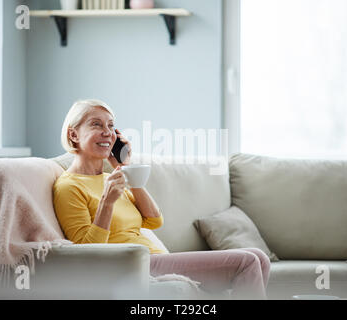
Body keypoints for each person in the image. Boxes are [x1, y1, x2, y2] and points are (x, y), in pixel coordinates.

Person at [53, 99, 271, 299]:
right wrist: (106, 203)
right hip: (130, 265)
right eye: (96, 125)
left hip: (154, 258)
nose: (108, 133)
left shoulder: (111, 177)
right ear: (73, 135)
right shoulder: (68, 186)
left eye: (111, 126)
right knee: (247, 261)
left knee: (259, 257)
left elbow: (154, 220)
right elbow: (86, 252)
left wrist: (125, 167)